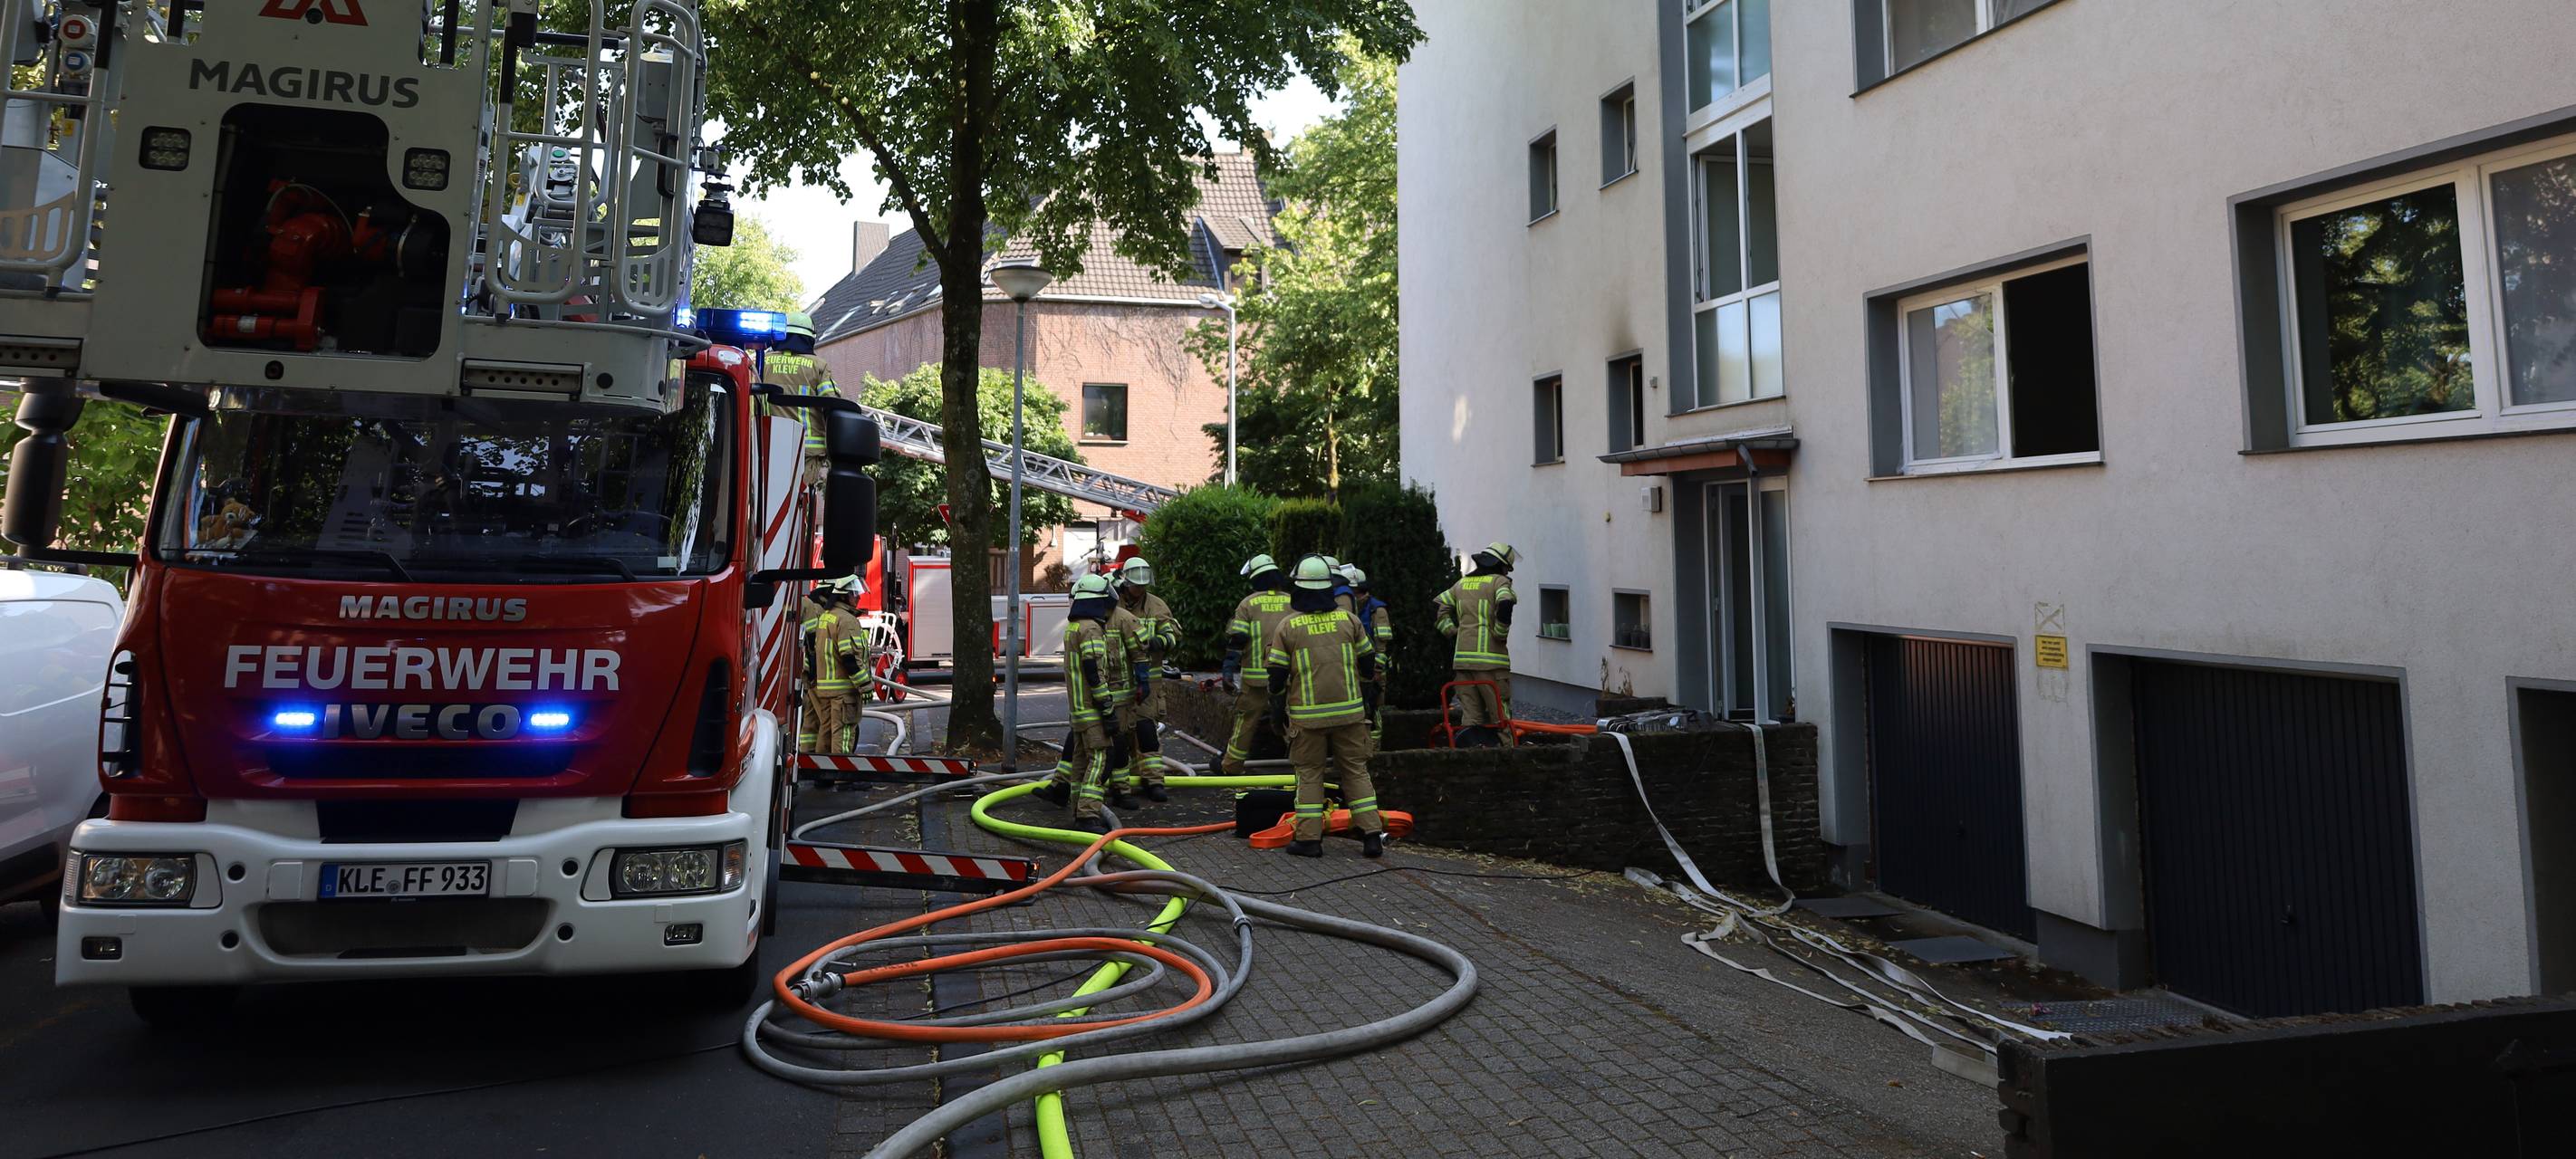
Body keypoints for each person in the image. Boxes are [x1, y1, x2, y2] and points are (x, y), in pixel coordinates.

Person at [1265, 556, 1387, 858]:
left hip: (1307, 720)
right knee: (1356, 772)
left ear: (1300, 589)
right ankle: (1372, 836)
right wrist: (1368, 702)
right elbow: (1369, 664)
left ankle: (1309, 840)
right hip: (1350, 714)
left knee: (1309, 775)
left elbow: (1277, 677)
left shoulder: (1288, 626)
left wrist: (1276, 708)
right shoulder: (1349, 620)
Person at [1034, 572, 1128, 829]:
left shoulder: (1074, 627)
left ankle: (1078, 808)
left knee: (1080, 760)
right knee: (1102, 758)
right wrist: (1107, 709)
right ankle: (1087, 814)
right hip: (1093, 710)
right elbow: (1094, 672)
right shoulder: (1092, 629)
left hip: (1078, 711)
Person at [1434, 542, 1518, 746]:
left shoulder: (1461, 584)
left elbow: (1438, 606)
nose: (1507, 572)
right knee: (1501, 718)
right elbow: (1506, 603)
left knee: (1471, 720)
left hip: (1463, 662)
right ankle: (1511, 758)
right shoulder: (1499, 582)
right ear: (1500, 565)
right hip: (1490, 663)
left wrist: (1451, 631)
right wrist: (1500, 633)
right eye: (1507, 567)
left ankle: (1471, 758)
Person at [1221, 554, 1297, 773]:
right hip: (1287, 678)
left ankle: (1232, 766)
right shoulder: (1292, 602)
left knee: (1245, 723)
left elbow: (1237, 641)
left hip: (1255, 681)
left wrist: (1227, 672)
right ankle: (1302, 766)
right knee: (1292, 722)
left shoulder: (1248, 604)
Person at [1115, 556, 1177, 801]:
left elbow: (1172, 634)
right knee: (1120, 733)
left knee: (1146, 731)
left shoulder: (1156, 605)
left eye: (1143, 585)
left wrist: (1159, 641)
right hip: (1118, 681)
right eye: (1135, 585)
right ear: (1125, 581)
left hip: (1148, 681)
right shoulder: (1113, 603)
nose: (1140, 590)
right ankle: (1121, 783)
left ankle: (1153, 781)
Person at [808, 575, 870, 752]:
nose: (858, 596)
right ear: (842, 595)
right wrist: (865, 685)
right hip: (844, 691)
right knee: (843, 734)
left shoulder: (827, 617)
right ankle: (842, 776)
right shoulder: (847, 620)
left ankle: (823, 777)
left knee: (826, 732)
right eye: (853, 593)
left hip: (826, 690)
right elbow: (849, 657)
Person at [1345, 563, 1393, 740]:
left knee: (1373, 709)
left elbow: (1382, 646)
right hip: (1355, 669)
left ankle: (1374, 747)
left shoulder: (1377, 611)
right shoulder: (1352, 608)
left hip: (1374, 671)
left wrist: (1377, 670)